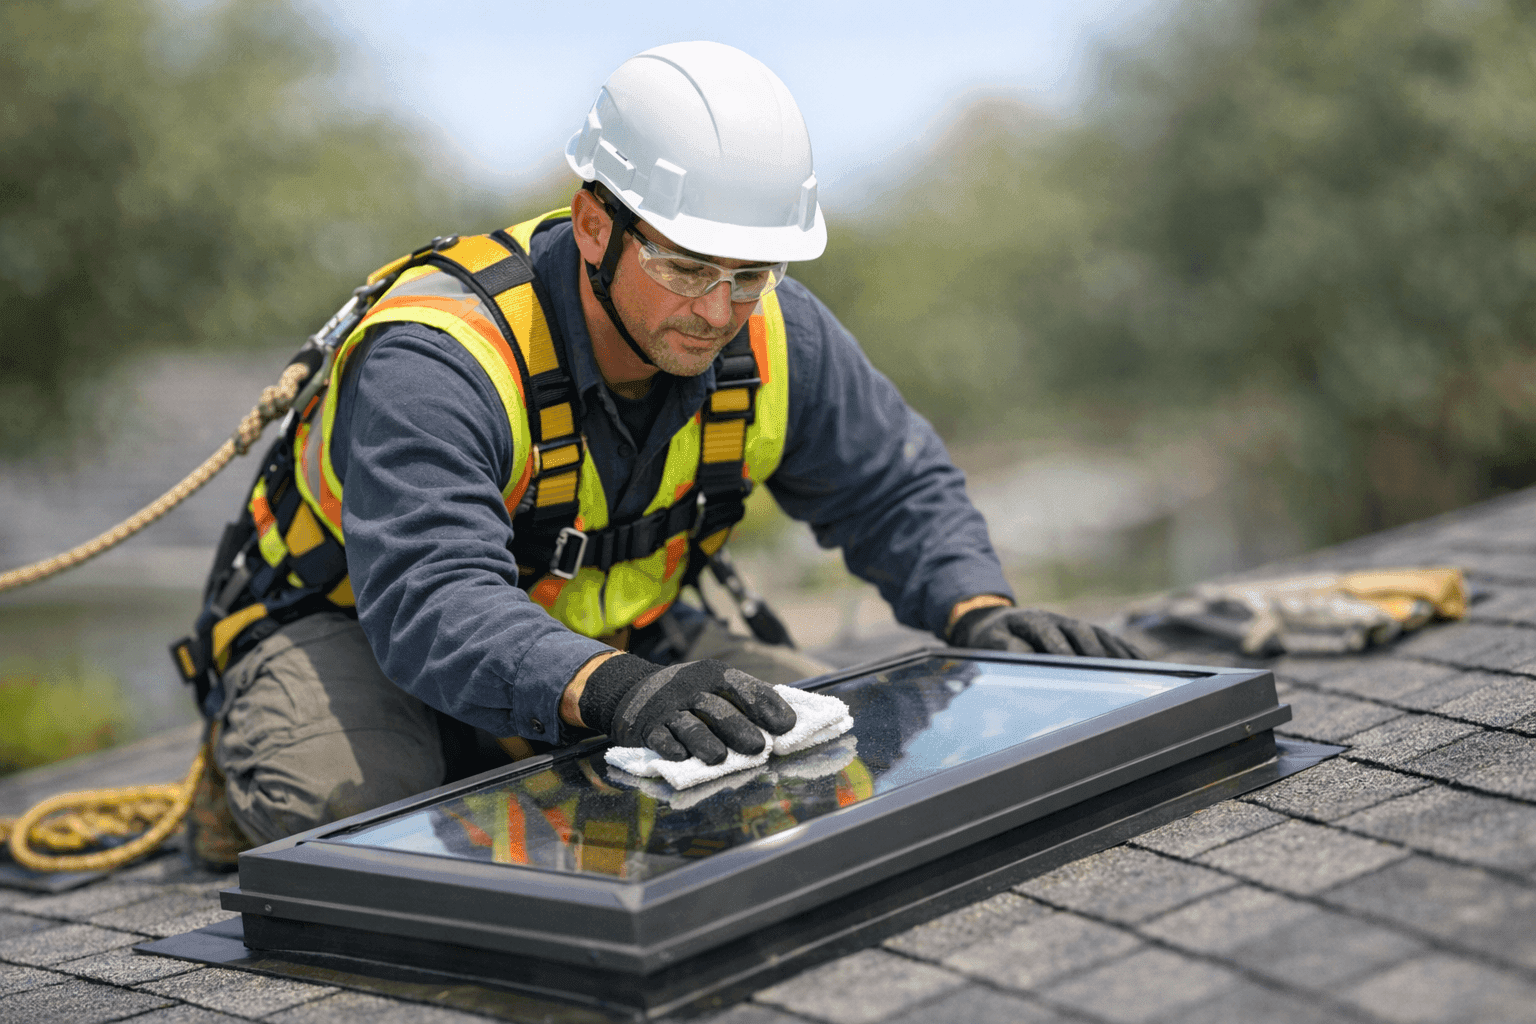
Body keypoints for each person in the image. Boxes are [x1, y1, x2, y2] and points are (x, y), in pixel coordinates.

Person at [180, 41, 1140, 868]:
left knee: (816, 751)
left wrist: (979, 611)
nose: (719, 311)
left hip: (613, 641)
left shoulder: (776, 334)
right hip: (360, 632)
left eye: (750, 275)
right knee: (349, 812)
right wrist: (620, 694)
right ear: (596, 224)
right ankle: (269, 756)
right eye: (685, 268)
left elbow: (894, 487)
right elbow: (430, 598)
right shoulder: (442, 355)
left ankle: (517, 745)